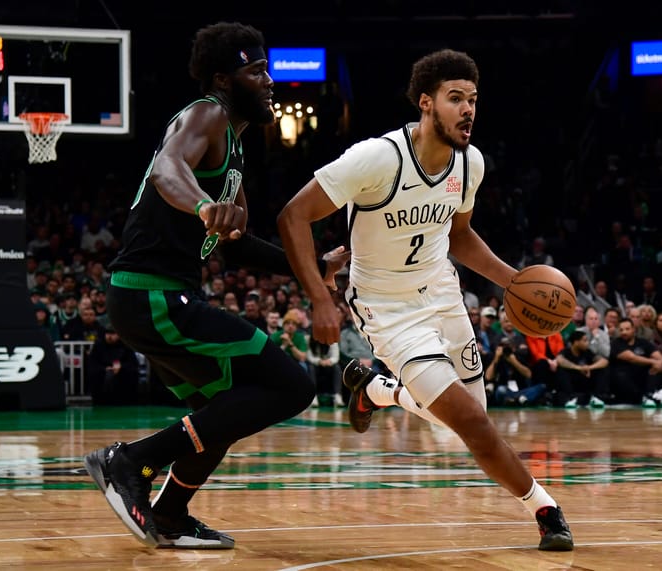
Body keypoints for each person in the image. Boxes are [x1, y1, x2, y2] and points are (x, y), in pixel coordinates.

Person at [277, 48, 573, 551]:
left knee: (469, 417)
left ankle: (376, 391)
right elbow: (292, 216)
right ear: (426, 103)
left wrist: (514, 282)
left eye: (473, 100)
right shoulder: (375, 159)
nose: (468, 110)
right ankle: (546, 509)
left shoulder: (470, 163)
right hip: (387, 309)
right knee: (473, 423)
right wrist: (319, 300)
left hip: (441, 291)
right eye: (455, 98)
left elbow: (458, 236)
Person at [82, 22, 347, 550]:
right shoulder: (207, 113)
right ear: (225, 79)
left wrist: (314, 265)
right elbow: (166, 166)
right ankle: (130, 460)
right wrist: (203, 205)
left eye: (269, 68)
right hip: (151, 291)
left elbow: (239, 245)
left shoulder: (235, 155)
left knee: (228, 405)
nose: (269, 80)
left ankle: (173, 514)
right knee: (292, 385)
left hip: (161, 296)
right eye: (257, 71)